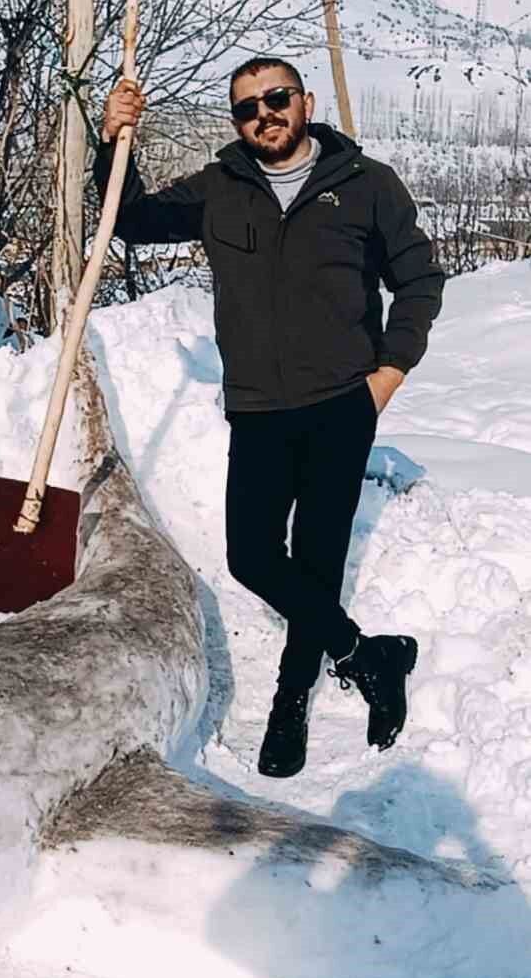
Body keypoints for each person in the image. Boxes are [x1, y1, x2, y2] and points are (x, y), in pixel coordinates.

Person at [95, 58, 444, 778]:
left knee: (316, 559)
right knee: (251, 556)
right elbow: (131, 221)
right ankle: (368, 656)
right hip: (258, 408)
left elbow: (418, 279)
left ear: (304, 102)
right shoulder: (220, 187)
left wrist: (390, 371)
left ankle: (291, 699)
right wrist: (113, 141)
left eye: (276, 98)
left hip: (341, 403)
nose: (264, 114)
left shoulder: (367, 184)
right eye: (247, 108)